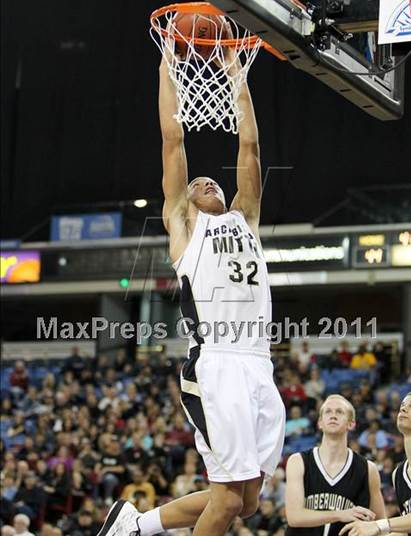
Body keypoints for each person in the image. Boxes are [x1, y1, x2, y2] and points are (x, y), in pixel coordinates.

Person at [96, 36, 285, 536]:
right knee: (224, 502)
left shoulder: (246, 217)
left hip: (259, 363)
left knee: (245, 503)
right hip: (218, 361)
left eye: (212, 182)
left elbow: (249, 145)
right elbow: (172, 138)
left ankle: (138, 526)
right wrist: (168, 69)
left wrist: (235, 74)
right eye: (197, 183)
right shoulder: (184, 225)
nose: (206, 183)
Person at [285, 394, 386, 536]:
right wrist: (340, 515)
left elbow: (381, 524)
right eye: (328, 411)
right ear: (320, 423)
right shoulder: (298, 461)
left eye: (339, 412)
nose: (333, 415)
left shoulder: (368, 469)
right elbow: (294, 517)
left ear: (351, 424)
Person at [340, 391, 411, 536]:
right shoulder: (399, 474)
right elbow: (409, 530)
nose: (403, 409)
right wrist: (367, 530)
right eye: (402, 405)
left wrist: (380, 525)